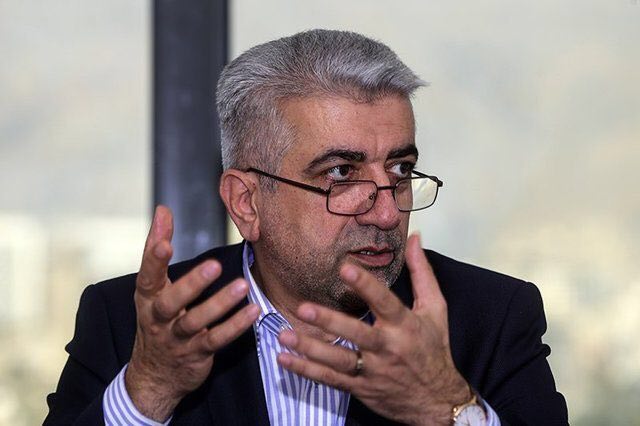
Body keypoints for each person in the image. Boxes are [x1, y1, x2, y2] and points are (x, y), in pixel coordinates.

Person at [45, 29, 568, 425]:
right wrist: (148, 390)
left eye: (400, 169)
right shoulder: (137, 326)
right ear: (246, 202)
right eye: (341, 174)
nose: (387, 214)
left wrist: (447, 407)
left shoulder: (490, 317)